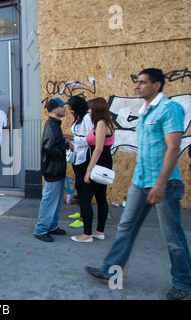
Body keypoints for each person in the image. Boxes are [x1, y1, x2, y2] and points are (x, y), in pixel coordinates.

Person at [86, 68, 191, 300]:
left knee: (172, 235)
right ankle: (110, 270)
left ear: (157, 86)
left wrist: (160, 184)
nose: (137, 86)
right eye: (138, 82)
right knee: (126, 227)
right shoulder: (144, 112)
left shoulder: (169, 109)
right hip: (140, 182)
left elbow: (173, 148)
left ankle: (184, 282)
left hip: (165, 183)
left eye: (143, 83)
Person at [71, 98, 114, 243]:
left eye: (90, 109)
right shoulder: (107, 122)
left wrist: (88, 170)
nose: (88, 111)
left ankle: (87, 234)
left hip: (98, 163)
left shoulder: (101, 124)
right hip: (105, 162)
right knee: (101, 197)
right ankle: (99, 231)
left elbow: (99, 148)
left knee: (84, 197)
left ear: (97, 109)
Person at [34, 98, 72, 242]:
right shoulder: (51, 126)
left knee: (56, 201)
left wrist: (63, 142)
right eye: (62, 106)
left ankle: (52, 226)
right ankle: (40, 229)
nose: (64, 108)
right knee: (49, 200)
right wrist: (65, 146)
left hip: (57, 170)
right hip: (53, 171)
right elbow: (49, 150)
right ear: (54, 109)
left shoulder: (55, 125)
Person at [64, 96, 94, 228]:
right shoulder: (78, 118)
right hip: (77, 156)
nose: (70, 111)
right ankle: (81, 210)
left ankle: (83, 217)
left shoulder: (87, 119)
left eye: (72, 109)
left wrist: (73, 138)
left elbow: (90, 139)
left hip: (84, 157)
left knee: (83, 187)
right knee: (79, 185)